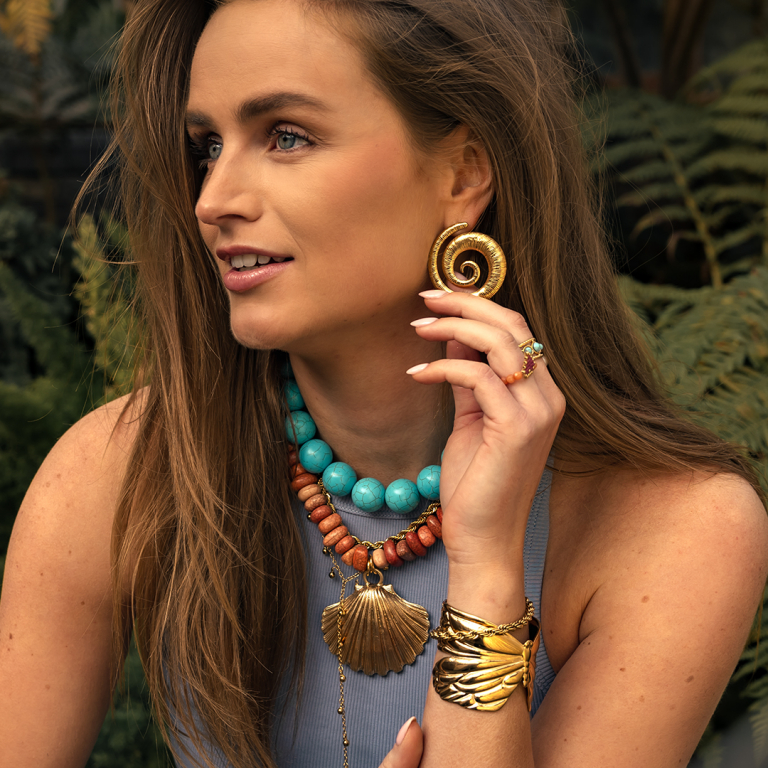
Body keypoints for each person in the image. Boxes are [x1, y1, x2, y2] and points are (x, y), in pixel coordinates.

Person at [1, 0, 767, 766]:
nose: (213, 200)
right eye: (208, 146)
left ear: (464, 173)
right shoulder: (115, 476)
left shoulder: (678, 529)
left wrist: (486, 569)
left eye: (287, 137)